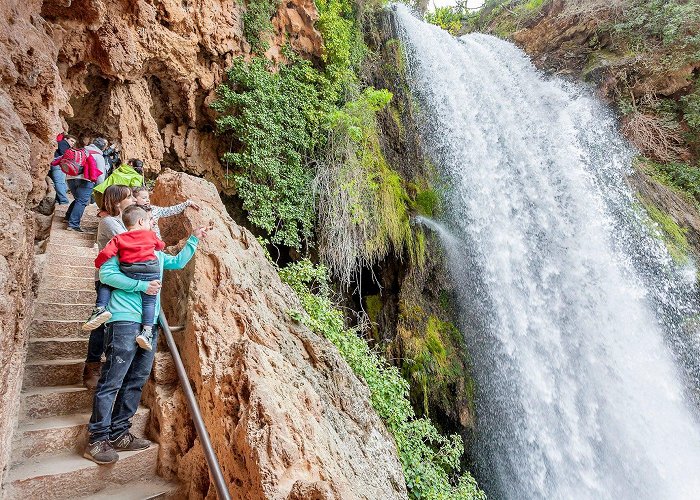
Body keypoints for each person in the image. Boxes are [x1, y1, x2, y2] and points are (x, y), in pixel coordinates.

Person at [83, 225, 207, 465]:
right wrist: (140, 286)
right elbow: (106, 274)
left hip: (149, 325)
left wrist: (194, 239)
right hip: (124, 321)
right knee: (112, 381)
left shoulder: (157, 255)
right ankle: (97, 439)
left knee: (136, 380)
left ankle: (119, 432)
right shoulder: (121, 249)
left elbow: (178, 262)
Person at [82, 185, 135, 389]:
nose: (132, 199)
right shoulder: (109, 222)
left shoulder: (123, 221)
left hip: (123, 277)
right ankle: (92, 365)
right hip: (107, 277)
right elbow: (128, 242)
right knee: (102, 323)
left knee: (117, 321)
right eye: (127, 197)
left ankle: (110, 365)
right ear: (116, 202)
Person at [92, 206, 165, 351]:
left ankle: (100, 308)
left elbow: (106, 253)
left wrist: (98, 264)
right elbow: (160, 246)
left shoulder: (118, 238)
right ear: (141, 221)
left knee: (107, 284)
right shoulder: (150, 236)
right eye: (149, 221)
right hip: (151, 272)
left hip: (130, 271)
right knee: (150, 301)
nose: (151, 224)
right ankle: (147, 331)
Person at [55, 138, 104, 231]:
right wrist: (100, 188)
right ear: (103, 148)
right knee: (82, 201)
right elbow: (100, 175)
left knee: (78, 199)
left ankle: (68, 217)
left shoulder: (82, 150)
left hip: (70, 177)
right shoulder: (98, 155)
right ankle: (73, 225)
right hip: (85, 179)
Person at [132, 186, 201, 239]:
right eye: (144, 198)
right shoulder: (132, 213)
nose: (147, 200)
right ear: (134, 199)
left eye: (148, 198)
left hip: (157, 243)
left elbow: (170, 210)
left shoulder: (154, 209)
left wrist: (187, 203)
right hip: (142, 244)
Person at [49, 133, 75, 205]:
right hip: (59, 165)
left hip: (58, 165)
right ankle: (64, 201)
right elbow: (64, 154)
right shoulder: (64, 143)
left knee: (62, 184)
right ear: (65, 139)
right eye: (71, 141)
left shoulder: (64, 144)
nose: (72, 143)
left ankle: (58, 199)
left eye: (74, 142)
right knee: (60, 183)